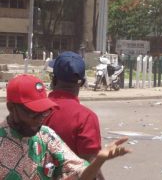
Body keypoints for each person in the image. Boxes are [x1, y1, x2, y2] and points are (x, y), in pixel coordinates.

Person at [0, 74, 130, 180]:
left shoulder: (46, 137)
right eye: (33, 113)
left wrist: (99, 160)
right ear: (11, 108)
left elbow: (80, 174)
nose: (40, 119)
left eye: (44, 112)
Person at [43, 51, 106, 179]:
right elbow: (91, 166)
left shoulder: (33, 111)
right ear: (81, 83)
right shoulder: (85, 117)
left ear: (53, 79)